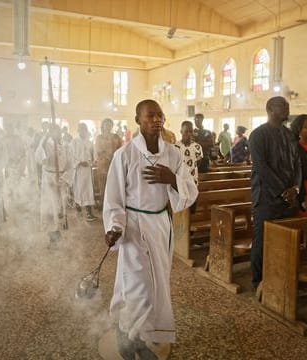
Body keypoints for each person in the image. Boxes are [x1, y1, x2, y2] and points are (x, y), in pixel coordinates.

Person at [102, 99, 198, 359]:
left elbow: (190, 190)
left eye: (160, 115)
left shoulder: (172, 154)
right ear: (138, 120)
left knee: (156, 284)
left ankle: (139, 334)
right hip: (133, 227)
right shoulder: (125, 155)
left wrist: (172, 179)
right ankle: (130, 336)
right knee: (137, 285)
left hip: (160, 225)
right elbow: (113, 198)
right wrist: (114, 226)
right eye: (150, 115)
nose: (157, 120)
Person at [249, 96, 301, 290]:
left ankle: (280, 278)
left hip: (289, 198)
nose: (287, 108)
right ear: (270, 109)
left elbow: (297, 164)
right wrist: (282, 190)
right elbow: (262, 167)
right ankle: (258, 281)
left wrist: (295, 188)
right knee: (262, 241)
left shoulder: (289, 135)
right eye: (282, 106)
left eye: (287, 105)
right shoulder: (258, 135)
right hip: (266, 197)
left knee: (285, 241)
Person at [35, 123, 73, 245]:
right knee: (51, 207)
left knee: (60, 206)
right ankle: (53, 236)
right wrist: (46, 138)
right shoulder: (46, 144)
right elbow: (41, 158)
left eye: (58, 131)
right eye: (53, 132)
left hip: (61, 178)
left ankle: (58, 232)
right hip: (49, 178)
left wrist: (64, 178)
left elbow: (70, 165)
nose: (56, 134)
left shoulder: (66, 146)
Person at [70, 122, 96, 221]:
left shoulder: (89, 142)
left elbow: (92, 154)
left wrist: (91, 161)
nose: (83, 131)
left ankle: (89, 213)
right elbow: (71, 155)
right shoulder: (74, 142)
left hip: (87, 170)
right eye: (81, 129)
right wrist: (79, 163)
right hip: (79, 170)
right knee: (79, 190)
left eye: (85, 129)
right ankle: (78, 210)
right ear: (78, 130)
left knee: (88, 190)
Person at [95, 118, 123, 200]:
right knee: (103, 184)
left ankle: (115, 202)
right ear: (103, 126)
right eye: (106, 125)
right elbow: (98, 150)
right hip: (103, 164)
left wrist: (114, 157)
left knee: (114, 183)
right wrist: (107, 157)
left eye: (110, 124)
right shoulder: (99, 137)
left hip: (115, 163)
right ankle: (104, 204)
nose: (108, 126)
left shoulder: (116, 137)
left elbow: (120, 149)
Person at [174, 121, 203, 186]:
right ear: (181, 131)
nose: (189, 134)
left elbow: (198, 163)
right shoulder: (175, 146)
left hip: (193, 179)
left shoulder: (198, 147)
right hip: (180, 180)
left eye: (191, 131)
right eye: (186, 131)